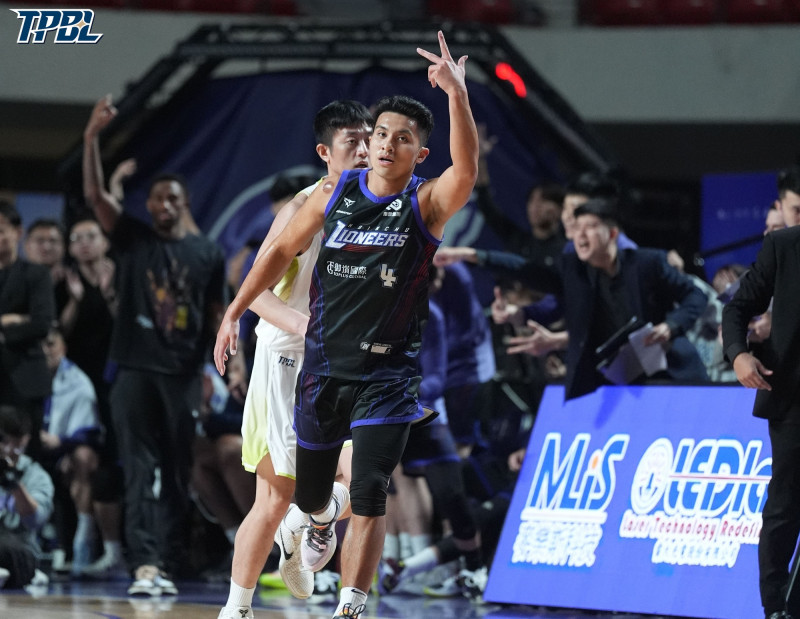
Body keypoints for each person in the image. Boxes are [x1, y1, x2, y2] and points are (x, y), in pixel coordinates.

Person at [214, 30, 478, 619]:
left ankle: (348, 606)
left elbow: (466, 170)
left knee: (370, 488)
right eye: (370, 137)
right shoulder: (325, 196)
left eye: (393, 138)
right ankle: (297, 536)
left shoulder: (425, 201)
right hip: (307, 361)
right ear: (328, 151)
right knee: (288, 496)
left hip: (385, 371)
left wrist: (457, 96)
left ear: (419, 153)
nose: (374, 147)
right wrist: (235, 310)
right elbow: (273, 259)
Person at [216, 100, 372, 619]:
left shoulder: (380, 203)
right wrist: (308, 328)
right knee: (275, 497)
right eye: (352, 141)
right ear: (326, 152)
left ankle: (311, 522)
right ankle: (237, 608)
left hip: (343, 358)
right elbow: (256, 291)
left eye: (369, 138)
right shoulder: (303, 208)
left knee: (366, 478)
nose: (366, 149)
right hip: (288, 356)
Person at [83, 94, 227, 596]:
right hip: (134, 370)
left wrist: (221, 367)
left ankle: (169, 559)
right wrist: (91, 138)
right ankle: (144, 563)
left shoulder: (206, 253)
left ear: (185, 204)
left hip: (183, 374)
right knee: (140, 469)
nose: (163, 205)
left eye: (172, 199)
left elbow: (217, 315)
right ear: (147, 204)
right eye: (156, 199)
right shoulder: (134, 239)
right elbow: (96, 197)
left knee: (178, 469)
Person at [480, 198, 709, 400]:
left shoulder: (646, 263)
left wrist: (671, 326)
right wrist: (479, 257)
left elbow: (696, 295)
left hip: (671, 377)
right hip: (621, 386)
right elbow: (533, 273)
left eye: (589, 227)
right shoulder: (581, 278)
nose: (580, 234)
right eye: (576, 227)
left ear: (612, 234)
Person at [721, 223, 800, 619]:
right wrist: (738, 354)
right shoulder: (784, 246)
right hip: (793, 398)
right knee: (785, 505)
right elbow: (736, 307)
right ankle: (775, 607)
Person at [39, 324, 103, 577]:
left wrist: (64, 443)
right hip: (32, 449)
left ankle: (83, 539)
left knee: (82, 458)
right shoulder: (26, 376)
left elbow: (88, 430)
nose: (46, 350)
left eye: (51, 344)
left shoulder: (78, 381)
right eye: (41, 345)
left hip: (65, 449)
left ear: (63, 347)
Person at [0, 201, 55, 461]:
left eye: (1, 230)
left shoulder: (36, 274)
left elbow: (42, 324)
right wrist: (11, 319)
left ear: (18, 233)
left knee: (27, 456)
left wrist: (5, 333)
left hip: (25, 380)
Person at [0, 404, 55, 590]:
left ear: (25, 440)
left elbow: (35, 520)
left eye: (15, 443)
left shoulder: (36, 476)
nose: (8, 449)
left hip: (19, 550)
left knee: (8, 548)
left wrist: (14, 483)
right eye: (3, 441)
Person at [23, 219, 66, 289]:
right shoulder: (12, 281)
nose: (47, 247)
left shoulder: (75, 281)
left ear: (64, 247)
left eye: (53, 241)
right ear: (27, 246)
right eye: (40, 241)